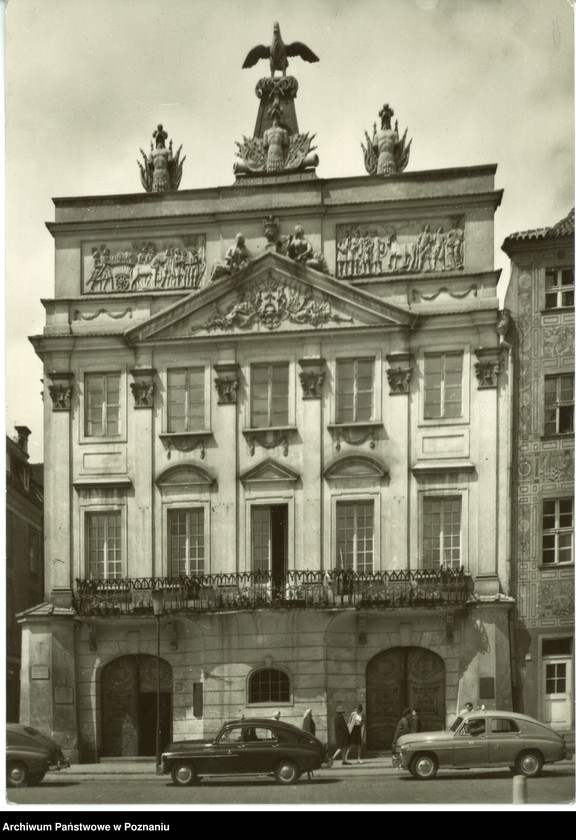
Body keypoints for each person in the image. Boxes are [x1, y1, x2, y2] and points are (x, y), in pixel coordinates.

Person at [302, 709, 316, 779]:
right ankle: (309, 773)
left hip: (305, 740)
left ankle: (309, 773)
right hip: (309, 740)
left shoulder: (305, 719)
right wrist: (312, 739)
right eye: (311, 712)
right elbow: (309, 730)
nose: (312, 714)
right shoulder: (309, 719)